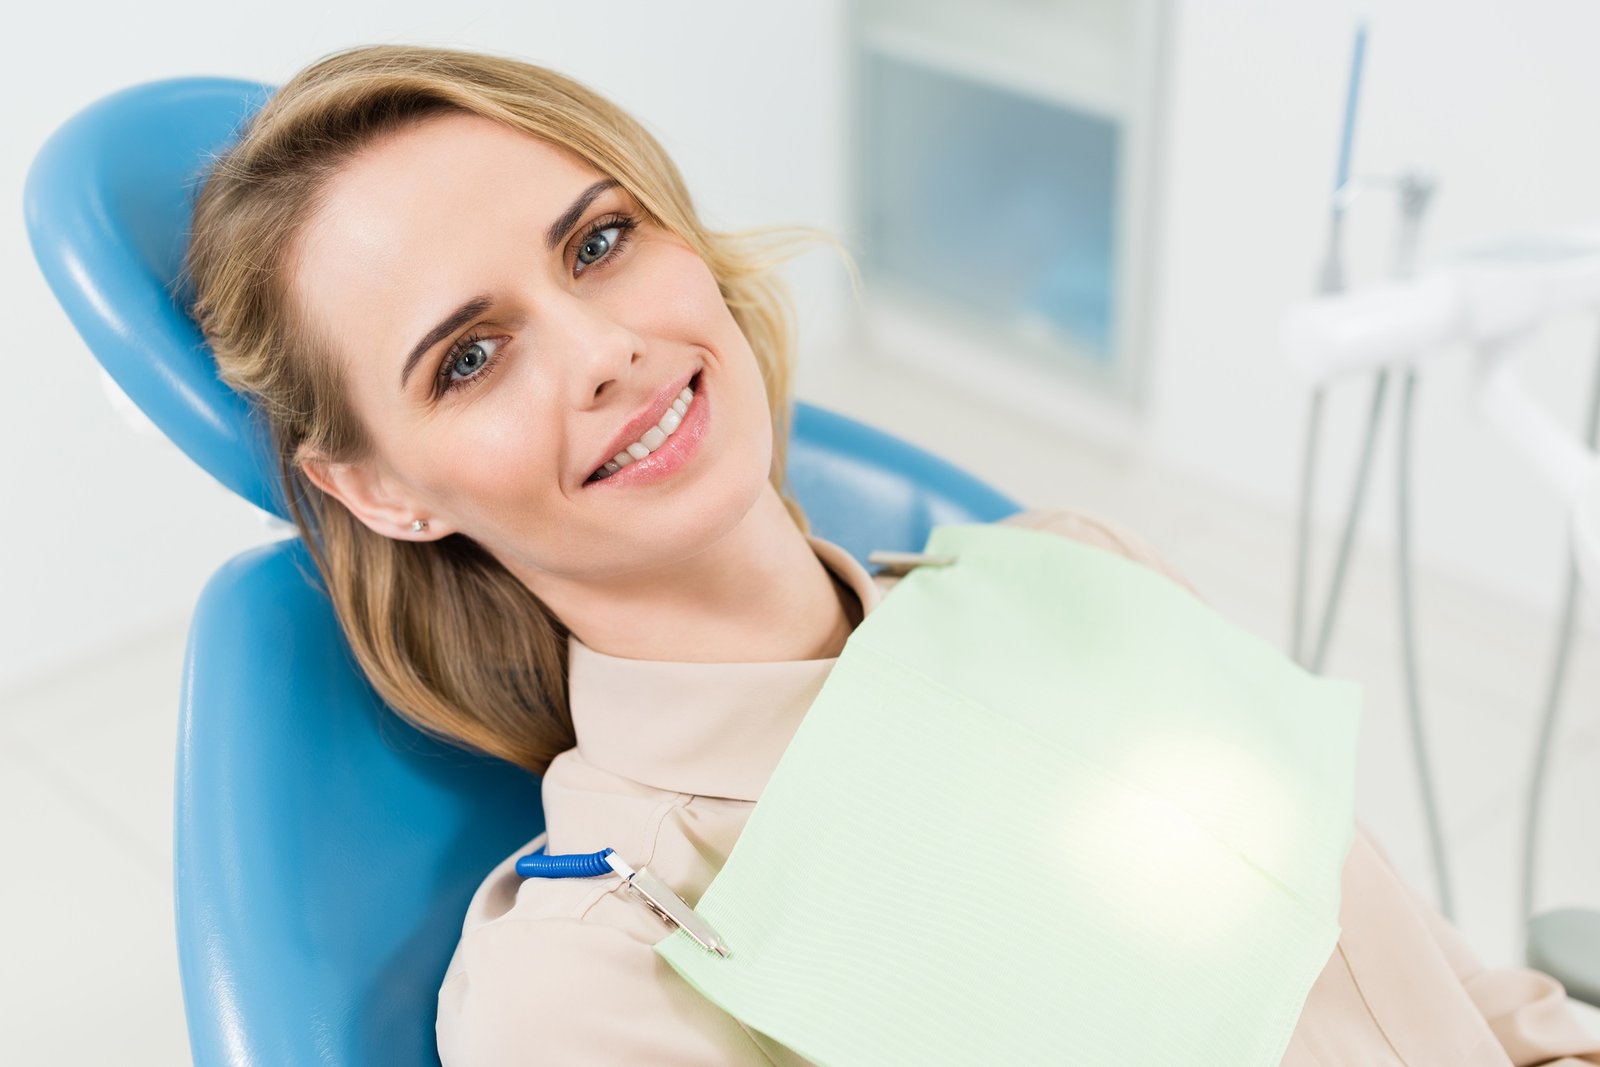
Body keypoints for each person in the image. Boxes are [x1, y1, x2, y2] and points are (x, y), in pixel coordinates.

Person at [184, 43, 1600, 1067]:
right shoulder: (599, 982)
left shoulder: (1078, 577)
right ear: (374, 488)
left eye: (602, 242)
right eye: (473, 357)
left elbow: (1457, 997)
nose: (607, 350)